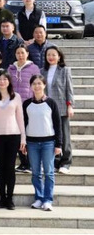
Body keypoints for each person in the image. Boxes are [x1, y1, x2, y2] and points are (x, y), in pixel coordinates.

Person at [0, 70, 26, 210]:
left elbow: (20, 119)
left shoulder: (16, 97)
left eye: (5, 79)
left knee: (10, 168)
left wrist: (23, 138)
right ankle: (2, 197)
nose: (2, 82)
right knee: (1, 168)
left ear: (9, 81)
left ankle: (10, 198)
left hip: (13, 135)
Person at [24, 74, 62, 211]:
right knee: (35, 173)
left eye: (39, 83)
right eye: (34, 83)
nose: (37, 86)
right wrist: (23, 142)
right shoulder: (26, 104)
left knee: (49, 172)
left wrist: (59, 144)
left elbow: (57, 124)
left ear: (44, 85)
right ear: (31, 86)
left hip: (48, 142)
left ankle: (48, 200)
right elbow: (24, 124)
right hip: (32, 143)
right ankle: (39, 198)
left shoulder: (51, 103)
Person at [42, 45, 74, 174]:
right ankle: (55, 161)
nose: (51, 57)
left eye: (54, 55)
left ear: (59, 56)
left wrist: (70, 105)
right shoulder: (42, 71)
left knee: (64, 136)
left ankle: (66, 162)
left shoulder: (65, 70)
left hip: (61, 107)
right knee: (52, 135)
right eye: (48, 55)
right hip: (47, 108)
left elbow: (69, 90)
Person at [8, 45, 40, 173]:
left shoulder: (34, 68)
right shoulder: (10, 68)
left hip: (29, 104)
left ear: (27, 53)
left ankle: (32, 162)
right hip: (14, 106)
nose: (20, 55)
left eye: (22, 53)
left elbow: (38, 85)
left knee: (29, 133)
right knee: (18, 134)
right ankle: (23, 162)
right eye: (18, 53)